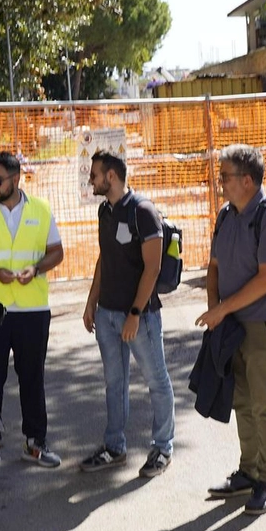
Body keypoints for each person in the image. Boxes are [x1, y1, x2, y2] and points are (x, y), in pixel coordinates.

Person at [196, 143, 266, 516]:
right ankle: (249, 471)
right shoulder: (225, 214)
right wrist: (215, 312)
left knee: (264, 402)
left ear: (248, 181)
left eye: (226, 177)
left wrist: (222, 309)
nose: (220, 183)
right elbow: (214, 266)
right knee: (241, 400)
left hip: (261, 324)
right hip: (230, 323)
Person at [79, 149, 176, 478]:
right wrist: (91, 302)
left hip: (140, 317)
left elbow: (153, 267)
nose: (89, 180)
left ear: (111, 177)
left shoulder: (143, 211)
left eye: (93, 175)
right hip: (106, 315)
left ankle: (162, 447)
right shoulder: (105, 211)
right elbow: (103, 259)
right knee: (114, 383)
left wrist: (134, 313)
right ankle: (114, 446)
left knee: (156, 381)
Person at [0, 151, 65, 470]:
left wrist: (35, 269)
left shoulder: (41, 209)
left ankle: (36, 443)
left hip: (33, 310)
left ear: (16, 178)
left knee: (32, 378)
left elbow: (57, 251)